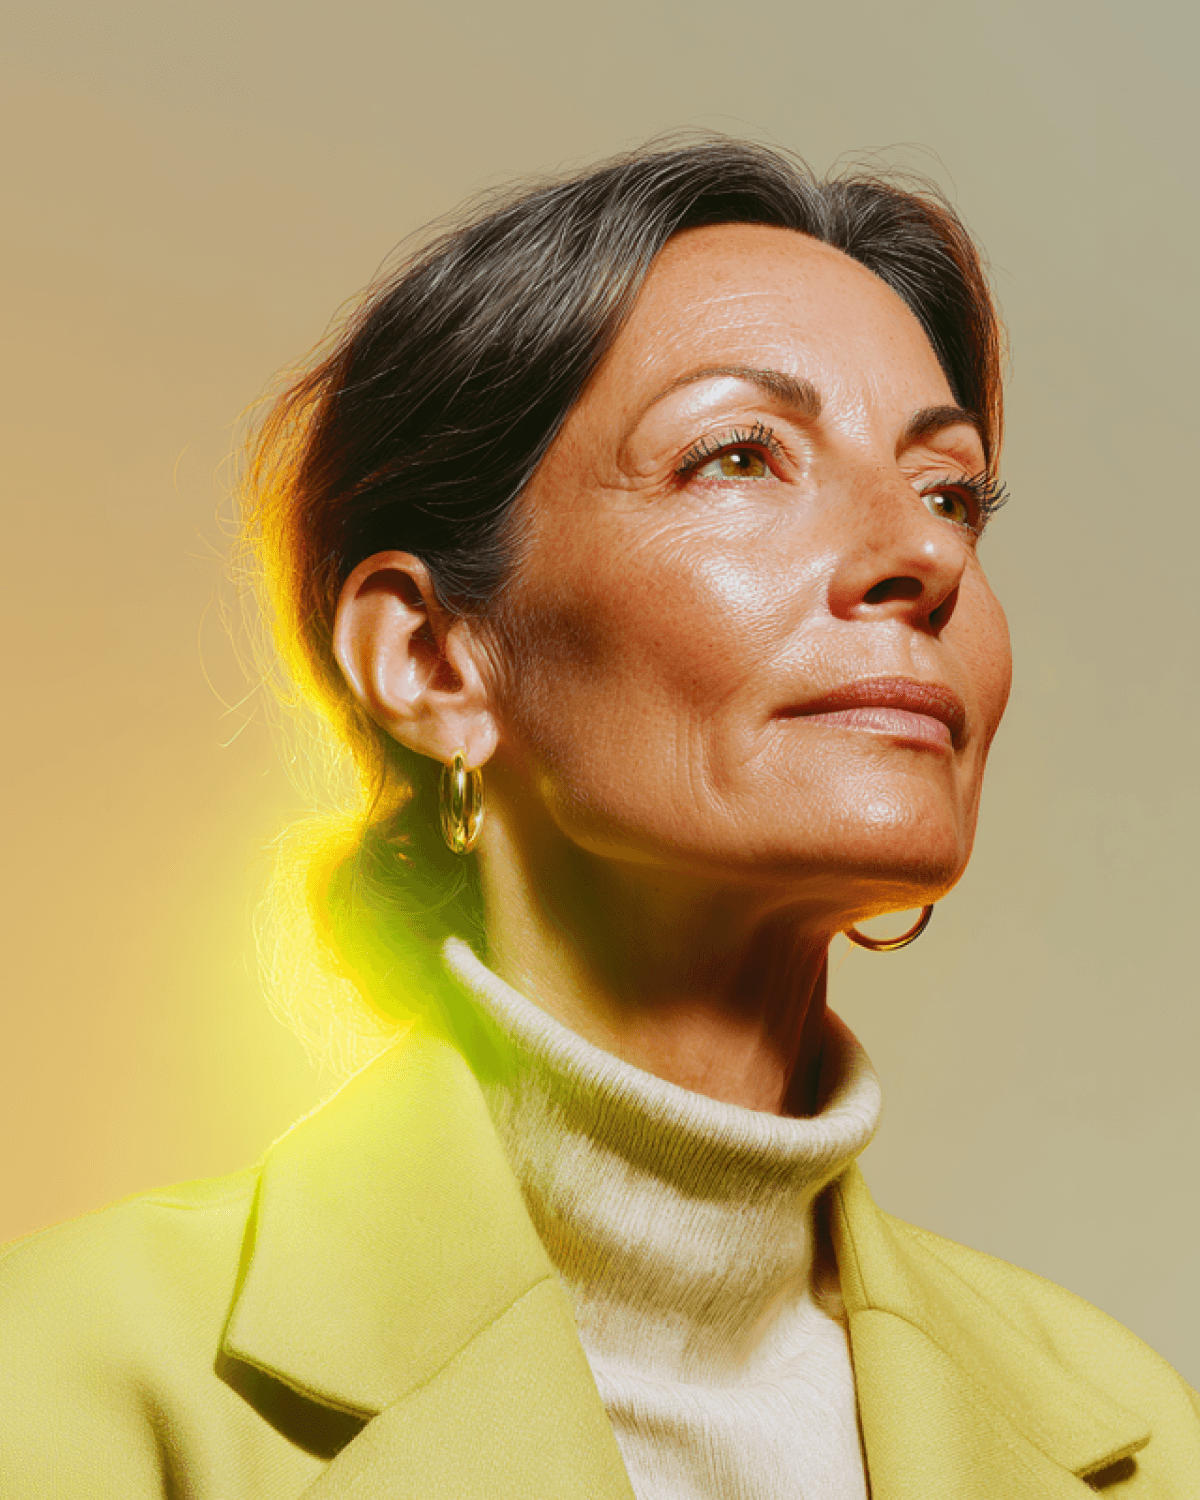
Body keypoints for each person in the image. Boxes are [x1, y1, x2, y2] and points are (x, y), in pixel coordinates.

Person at [1, 137, 1196, 1499]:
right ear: (432, 661)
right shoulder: (57, 1385)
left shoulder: (1142, 1438)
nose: (926, 555)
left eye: (951, 493)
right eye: (739, 457)